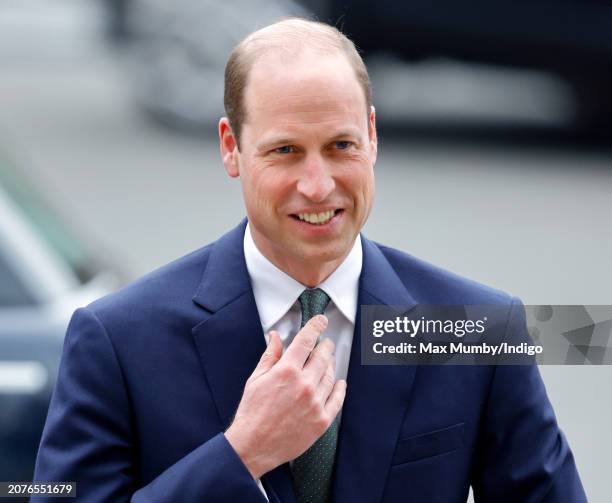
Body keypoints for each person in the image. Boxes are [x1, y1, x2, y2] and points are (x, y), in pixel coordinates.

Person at [33, 18, 586, 502]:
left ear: (372, 136)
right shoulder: (116, 340)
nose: (318, 186)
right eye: (285, 151)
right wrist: (241, 454)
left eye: (341, 146)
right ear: (231, 147)